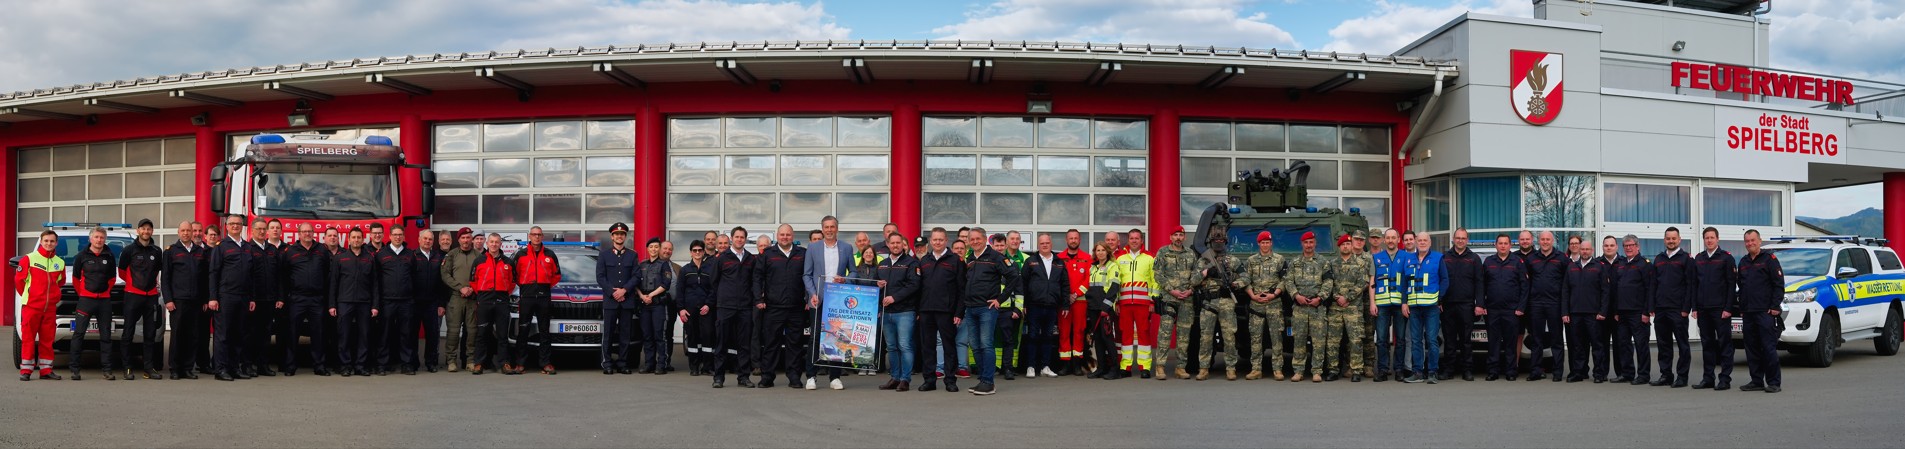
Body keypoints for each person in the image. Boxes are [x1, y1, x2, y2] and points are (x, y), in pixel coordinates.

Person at [802, 217, 854, 389]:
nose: (830, 230)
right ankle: (811, 375)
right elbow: (807, 274)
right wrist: (812, 293)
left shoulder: (846, 248)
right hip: (818, 299)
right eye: (826, 227)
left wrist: (845, 279)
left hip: (838, 300)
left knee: (837, 337)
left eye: (832, 227)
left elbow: (853, 271)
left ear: (837, 229)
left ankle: (835, 377)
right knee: (816, 337)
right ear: (822, 229)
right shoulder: (813, 247)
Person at [756, 224, 809, 389]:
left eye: (788, 235)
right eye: (782, 235)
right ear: (777, 236)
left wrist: (808, 298)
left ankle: (794, 377)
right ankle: (767, 377)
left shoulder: (803, 254)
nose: (785, 237)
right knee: (771, 343)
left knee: (795, 344)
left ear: (792, 236)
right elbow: (758, 278)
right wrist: (759, 299)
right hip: (773, 307)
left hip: (796, 307)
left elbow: (809, 277)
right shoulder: (768, 254)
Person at [280, 223, 332, 376]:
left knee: (319, 334)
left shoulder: (322, 250)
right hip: (297, 298)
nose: (307, 234)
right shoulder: (289, 251)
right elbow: (284, 275)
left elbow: (326, 272)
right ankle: (290, 366)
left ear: (313, 233)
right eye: (304, 232)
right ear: (299, 234)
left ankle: (319, 366)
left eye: (310, 231)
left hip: (317, 298)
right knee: (292, 333)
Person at [916, 228, 965, 392]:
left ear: (946, 241)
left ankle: (950, 381)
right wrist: (918, 310)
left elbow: (961, 289)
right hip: (926, 310)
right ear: (930, 241)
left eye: (940, 240)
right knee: (927, 347)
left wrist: (959, 312)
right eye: (935, 240)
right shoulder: (924, 261)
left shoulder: (955, 260)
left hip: (947, 311)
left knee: (949, 347)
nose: (937, 242)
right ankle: (929, 380)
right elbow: (919, 288)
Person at [962, 233, 1012, 396]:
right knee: (975, 345)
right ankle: (983, 379)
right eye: (972, 239)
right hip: (970, 308)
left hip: (987, 308)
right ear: (969, 241)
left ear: (985, 240)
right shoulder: (969, 258)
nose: (975, 241)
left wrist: (1000, 299)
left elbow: (1013, 277)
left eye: (978, 239)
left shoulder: (996, 257)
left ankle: (989, 382)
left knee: (986, 344)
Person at [67, 228, 118, 380]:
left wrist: (104, 292)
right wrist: (84, 294)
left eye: (102, 237)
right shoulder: (81, 256)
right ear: (90, 239)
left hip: (104, 301)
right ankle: (75, 369)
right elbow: (76, 279)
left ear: (105, 239)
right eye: (96, 237)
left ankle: (107, 370)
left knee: (106, 336)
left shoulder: (109, 256)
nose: (99, 240)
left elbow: (112, 279)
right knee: (78, 334)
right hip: (85, 301)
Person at [116, 219, 164, 380]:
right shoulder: (129, 250)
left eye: (149, 229)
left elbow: (158, 271)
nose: (146, 231)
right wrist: (134, 285)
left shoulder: (157, 251)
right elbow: (122, 271)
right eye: (143, 228)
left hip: (150, 297)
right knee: (128, 332)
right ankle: (127, 368)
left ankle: (148, 368)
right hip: (132, 296)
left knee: (150, 334)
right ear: (138, 231)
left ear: (152, 231)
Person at [1691, 227, 1738, 390]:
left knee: (1724, 344)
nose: (1709, 240)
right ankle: (1708, 378)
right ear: (1703, 240)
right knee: (1707, 344)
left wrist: (1728, 308)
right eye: (1706, 238)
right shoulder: (1699, 258)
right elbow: (1694, 285)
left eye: (1712, 237)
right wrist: (1694, 308)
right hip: (1703, 309)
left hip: (1720, 310)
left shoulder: (1726, 258)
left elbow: (1732, 285)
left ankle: (1725, 379)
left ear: (1718, 239)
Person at [872, 233, 921, 390]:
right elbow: (873, 285)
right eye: (892, 243)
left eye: (898, 243)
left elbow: (914, 285)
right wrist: (877, 285)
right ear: (888, 244)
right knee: (891, 347)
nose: (895, 245)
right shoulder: (883, 264)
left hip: (905, 311)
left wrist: (894, 297)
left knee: (904, 345)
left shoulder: (911, 263)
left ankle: (905, 379)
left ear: (903, 244)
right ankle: (895, 377)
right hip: (886, 312)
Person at [710, 227, 757, 389]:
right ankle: (718, 378)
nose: (739, 240)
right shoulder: (722, 258)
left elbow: (753, 282)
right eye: (736, 237)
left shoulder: (751, 259)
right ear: (732, 239)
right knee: (721, 343)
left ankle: (743, 377)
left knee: (744, 344)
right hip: (725, 307)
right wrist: (721, 299)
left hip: (745, 307)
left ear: (745, 239)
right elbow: (714, 282)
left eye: (742, 237)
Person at [1191, 231, 1242, 381]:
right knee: (1206, 337)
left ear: (1226, 242)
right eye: (1215, 240)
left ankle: (1231, 369)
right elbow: (1193, 280)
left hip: (1227, 302)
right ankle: (1203, 368)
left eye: (1221, 240)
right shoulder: (1203, 261)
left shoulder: (1233, 260)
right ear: (1211, 242)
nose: (1218, 243)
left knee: (1229, 337)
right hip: (1209, 303)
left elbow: (1246, 277)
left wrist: (1234, 284)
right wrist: (1206, 272)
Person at [1737, 229, 1782, 393]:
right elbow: (1741, 287)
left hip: (1765, 312)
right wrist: (1742, 307)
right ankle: (1756, 381)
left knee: (1768, 347)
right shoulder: (1743, 262)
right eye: (1747, 241)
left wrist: (1775, 306)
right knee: (1751, 348)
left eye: (1753, 240)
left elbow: (1778, 285)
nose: (1750, 243)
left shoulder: (1769, 259)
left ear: (1760, 241)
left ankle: (1774, 382)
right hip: (1748, 312)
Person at [161, 222, 208, 380]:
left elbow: (204, 278)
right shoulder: (171, 251)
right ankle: (175, 368)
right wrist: (168, 299)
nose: (187, 233)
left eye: (189, 230)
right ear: (178, 232)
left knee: (193, 335)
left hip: (196, 301)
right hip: (178, 301)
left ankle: (188, 368)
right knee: (177, 335)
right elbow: (165, 278)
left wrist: (205, 299)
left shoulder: (200, 251)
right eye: (183, 230)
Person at [209, 215, 254, 381]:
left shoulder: (247, 247)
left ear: (242, 226)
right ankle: (220, 369)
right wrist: (213, 297)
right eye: (232, 224)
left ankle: (235, 368)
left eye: (238, 224)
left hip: (243, 297)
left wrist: (252, 298)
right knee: (223, 335)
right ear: (226, 226)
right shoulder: (221, 247)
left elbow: (252, 275)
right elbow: (213, 273)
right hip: (225, 296)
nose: (235, 226)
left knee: (239, 334)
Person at [1285, 231, 1334, 383]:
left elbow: (1328, 282)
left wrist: (1320, 298)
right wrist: (1295, 295)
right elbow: (1288, 281)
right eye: (1306, 242)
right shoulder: (1295, 262)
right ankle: (1298, 371)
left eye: (1311, 242)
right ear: (1302, 244)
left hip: (1317, 307)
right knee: (1298, 340)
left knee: (1318, 341)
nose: (1308, 245)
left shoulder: (1323, 262)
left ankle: (1317, 371)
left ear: (1315, 243)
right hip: (1299, 307)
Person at [1562, 235, 1612, 383]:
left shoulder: (1599, 267)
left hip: (1594, 314)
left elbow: (1605, 291)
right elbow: (1565, 291)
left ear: (1592, 250)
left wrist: (1603, 311)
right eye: (1582, 249)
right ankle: (1578, 372)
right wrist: (1564, 312)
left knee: (1597, 345)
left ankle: (1599, 373)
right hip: (1575, 313)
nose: (1584, 251)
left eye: (1587, 249)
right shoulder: (1571, 267)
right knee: (1577, 345)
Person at [16, 231, 66, 381]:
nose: (49, 243)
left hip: (50, 308)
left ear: (56, 243)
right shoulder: (29, 259)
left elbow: (60, 282)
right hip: (31, 307)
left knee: (47, 340)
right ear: (41, 241)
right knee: (28, 339)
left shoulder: (60, 262)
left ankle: (46, 371)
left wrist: (52, 298)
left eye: (52, 241)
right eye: (46, 241)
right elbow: (19, 281)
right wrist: (31, 296)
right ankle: (26, 370)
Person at [330, 228, 380, 377]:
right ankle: (345, 365)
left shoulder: (369, 258)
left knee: (364, 335)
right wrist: (332, 304)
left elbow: (375, 284)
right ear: (348, 240)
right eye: (353, 237)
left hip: (364, 303)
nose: (356, 240)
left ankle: (360, 365)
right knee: (343, 335)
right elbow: (333, 283)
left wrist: (375, 305)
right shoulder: (340, 258)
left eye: (359, 237)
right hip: (344, 302)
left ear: (363, 239)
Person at [1237, 231, 1286, 381]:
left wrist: (1275, 294)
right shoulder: (1251, 261)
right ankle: (1256, 369)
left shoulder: (1279, 259)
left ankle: (1277, 369)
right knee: (1256, 338)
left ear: (1271, 243)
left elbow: (1285, 280)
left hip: (1274, 303)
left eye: (1267, 242)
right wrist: (1252, 295)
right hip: (1256, 303)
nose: (1265, 245)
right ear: (1259, 244)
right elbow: (1246, 279)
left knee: (1276, 337)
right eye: (1262, 242)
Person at [513, 226, 562, 375]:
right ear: (529, 236)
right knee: (523, 330)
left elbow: (557, 275)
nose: (536, 237)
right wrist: (526, 286)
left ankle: (545, 363)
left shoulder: (550, 254)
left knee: (544, 331)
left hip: (544, 297)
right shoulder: (520, 254)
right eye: (534, 234)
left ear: (542, 237)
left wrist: (544, 285)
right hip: (526, 297)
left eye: (539, 235)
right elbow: (514, 275)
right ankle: (520, 363)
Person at [1478, 233, 1527, 382]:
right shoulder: (1488, 262)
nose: (1503, 246)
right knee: (1493, 342)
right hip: (1492, 309)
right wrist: (1482, 304)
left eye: (1506, 243)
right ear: (1496, 245)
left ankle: (1511, 371)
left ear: (1510, 245)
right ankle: (1493, 371)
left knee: (1510, 342)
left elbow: (1524, 287)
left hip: (1511, 310)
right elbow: (1482, 285)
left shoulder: (1517, 262)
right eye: (1500, 243)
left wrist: (1521, 307)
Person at [1150, 227, 1197, 380]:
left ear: (1184, 237)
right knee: (1165, 333)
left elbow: (1196, 275)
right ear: (1170, 237)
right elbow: (1157, 274)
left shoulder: (1190, 254)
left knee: (1184, 335)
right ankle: (1160, 367)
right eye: (1175, 235)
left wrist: (1190, 290)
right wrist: (1172, 290)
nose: (1178, 237)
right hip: (1169, 298)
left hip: (1186, 299)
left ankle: (1180, 368)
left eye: (1181, 235)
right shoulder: (1163, 252)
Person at [1651, 227, 1695, 388]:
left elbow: (1690, 285)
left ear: (1679, 239)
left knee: (1683, 344)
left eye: (1673, 238)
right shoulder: (1659, 259)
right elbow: (1653, 284)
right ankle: (1666, 375)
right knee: (1663, 344)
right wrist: (1652, 306)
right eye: (1668, 238)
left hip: (1678, 309)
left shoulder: (1686, 259)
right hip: (1661, 309)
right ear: (1664, 240)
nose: (1671, 241)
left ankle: (1682, 377)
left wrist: (1686, 308)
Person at [1110, 229, 1157, 379]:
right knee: (1126, 335)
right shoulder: (1120, 258)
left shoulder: (1150, 257)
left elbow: (1154, 281)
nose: (1134, 241)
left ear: (1142, 240)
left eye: (1137, 238)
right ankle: (1126, 366)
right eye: (1132, 238)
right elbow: (1116, 282)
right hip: (1124, 303)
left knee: (1143, 333)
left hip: (1143, 303)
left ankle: (1145, 367)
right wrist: (1116, 301)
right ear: (1128, 240)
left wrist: (1152, 300)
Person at [373, 226, 420, 375]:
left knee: (406, 334)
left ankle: (406, 364)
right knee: (384, 334)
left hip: (406, 301)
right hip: (387, 301)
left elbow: (413, 276)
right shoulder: (381, 254)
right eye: (395, 235)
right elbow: (377, 279)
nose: (398, 237)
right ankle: (382, 364)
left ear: (404, 236)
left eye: (400, 235)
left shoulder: (410, 255)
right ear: (390, 236)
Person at [1523, 231, 1569, 382]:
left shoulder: (1562, 258)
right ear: (1539, 241)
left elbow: (1566, 284)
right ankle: (1535, 370)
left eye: (1547, 239)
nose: (1545, 242)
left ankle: (1557, 372)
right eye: (1542, 239)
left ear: (1553, 241)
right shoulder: (1531, 259)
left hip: (1555, 304)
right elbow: (1526, 282)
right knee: (1536, 339)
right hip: (1536, 304)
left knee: (1556, 340)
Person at [1438, 229, 1483, 381]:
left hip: (1467, 305)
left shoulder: (1474, 258)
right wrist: (1440, 301)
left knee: (1466, 341)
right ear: (1453, 239)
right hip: (1448, 305)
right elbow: (1440, 280)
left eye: (1463, 238)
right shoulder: (1445, 257)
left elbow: (1479, 283)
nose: (1460, 240)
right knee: (1449, 340)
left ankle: (1467, 370)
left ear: (1467, 240)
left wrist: (1479, 304)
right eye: (1458, 238)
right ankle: (1449, 370)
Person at [1610, 235, 1656, 385]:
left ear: (1638, 246)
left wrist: (1646, 312)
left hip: (1638, 313)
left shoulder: (1644, 264)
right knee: (1624, 345)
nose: (1628, 248)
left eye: (1631, 245)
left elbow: (1649, 289)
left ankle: (1643, 375)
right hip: (1622, 313)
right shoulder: (1621, 264)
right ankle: (1627, 373)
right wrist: (1616, 311)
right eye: (1626, 246)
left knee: (1641, 345)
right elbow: (1616, 289)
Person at [1020, 234, 1066, 379]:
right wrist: (1024, 304)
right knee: (1032, 336)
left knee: (1048, 337)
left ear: (1051, 244)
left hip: (1052, 306)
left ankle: (1045, 367)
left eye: (1047, 243)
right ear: (1038, 245)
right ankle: (1031, 367)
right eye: (1042, 243)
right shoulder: (1030, 261)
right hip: (1034, 305)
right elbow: (1024, 284)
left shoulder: (1059, 262)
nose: (1045, 245)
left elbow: (1065, 284)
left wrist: (1065, 304)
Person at [469, 233, 515, 375]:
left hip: (502, 300)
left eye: (497, 242)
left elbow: (513, 282)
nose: (494, 244)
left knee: (502, 334)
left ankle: (504, 363)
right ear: (487, 244)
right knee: (482, 333)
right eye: (492, 242)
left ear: (501, 244)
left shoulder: (508, 262)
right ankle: (479, 363)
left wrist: (504, 292)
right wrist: (482, 294)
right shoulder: (479, 261)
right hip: (484, 300)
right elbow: (473, 281)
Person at [597, 223, 640, 374]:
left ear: (625, 236)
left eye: (622, 234)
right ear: (612, 237)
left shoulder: (632, 255)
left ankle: (623, 363)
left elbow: (636, 276)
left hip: (627, 300)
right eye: (616, 234)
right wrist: (613, 292)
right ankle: (607, 363)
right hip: (610, 301)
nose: (619, 236)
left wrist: (624, 290)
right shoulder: (604, 255)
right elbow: (600, 277)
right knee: (608, 334)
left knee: (625, 334)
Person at [1326, 233, 1370, 382]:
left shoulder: (1360, 264)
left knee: (1355, 340)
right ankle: (1333, 369)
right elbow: (1326, 283)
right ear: (1339, 247)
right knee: (1333, 340)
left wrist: (1348, 298)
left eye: (1348, 244)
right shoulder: (1331, 264)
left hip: (1353, 307)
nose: (1346, 246)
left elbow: (1363, 283)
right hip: (1335, 307)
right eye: (1343, 244)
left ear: (1352, 246)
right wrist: (1336, 297)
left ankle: (1356, 370)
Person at [1403, 231, 1445, 384]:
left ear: (1429, 242)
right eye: (1419, 240)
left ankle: (1433, 372)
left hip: (1431, 307)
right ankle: (1418, 372)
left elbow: (1444, 280)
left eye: (1424, 240)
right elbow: (1404, 283)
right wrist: (1404, 302)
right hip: (1414, 307)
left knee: (1432, 340)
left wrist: (1439, 299)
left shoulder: (1438, 258)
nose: (1422, 242)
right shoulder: (1408, 259)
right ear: (1415, 241)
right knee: (1415, 341)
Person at [241, 219, 281, 378]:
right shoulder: (247, 249)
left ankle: (263, 365)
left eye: (264, 229)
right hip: (254, 300)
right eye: (259, 229)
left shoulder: (272, 249)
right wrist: (250, 297)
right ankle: (248, 365)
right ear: (252, 230)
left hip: (269, 299)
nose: (262, 232)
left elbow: (279, 275)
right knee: (250, 334)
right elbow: (246, 276)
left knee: (265, 334)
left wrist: (279, 296)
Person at [1369, 228, 1408, 382]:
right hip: (1382, 304)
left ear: (1398, 239)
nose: (1391, 240)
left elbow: (1408, 280)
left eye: (1394, 237)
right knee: (1381, 339)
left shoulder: (1406, 256)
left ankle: (1398, 369)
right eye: (1388, 238)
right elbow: (1372, 282)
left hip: (1399, 304)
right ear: (1384, 240)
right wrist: (1372, 302)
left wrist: (1406, 303)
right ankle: (1383, 370)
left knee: (1401, 339)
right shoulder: (1376, 258)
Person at [440, 227, 480, 372]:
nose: (466, 240)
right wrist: (460, 288)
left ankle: (470, 360)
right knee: (453, 331)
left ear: (472, 239)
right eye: (463, 238)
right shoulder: (451, 255)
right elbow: (445, 275)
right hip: (456, 298)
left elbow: (482, 276)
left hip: (472, 298)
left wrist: (471, 289)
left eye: (468, 237)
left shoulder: (478, 255)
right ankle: (451, 360)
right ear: (458, 240)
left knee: (472, 331)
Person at [1055, 229, 1093, 376]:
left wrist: (1076, 294)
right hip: (1063, 302)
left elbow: (1088, 279)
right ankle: (1065, 365)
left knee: (1079, 332)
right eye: (1070, 238)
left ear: (1079, 240)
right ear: (1066, 240)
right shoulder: (1058, 258)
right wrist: (1066, 296)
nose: (1073, 240)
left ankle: (1077, 364)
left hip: (1080, 301)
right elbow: (1055, 279)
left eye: (1075, 238)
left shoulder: (1087, 258)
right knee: (1064, 332)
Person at [678, 239, 718, 376]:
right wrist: (681, 309)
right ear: (690, 253)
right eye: (694, 250)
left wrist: (708, 304)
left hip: (706, 309)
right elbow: (680, 291)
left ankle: (707, 367)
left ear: (704, 251)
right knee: (693, 338)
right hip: (690, 310)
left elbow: (714, 289)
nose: (697, 252)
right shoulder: (685, 270)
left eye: (700, 250)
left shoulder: (710, 269)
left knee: (708, 338)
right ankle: (694, 367)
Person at [1084, 242, 1122, 380]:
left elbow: (1114, 288)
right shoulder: (1093, 268)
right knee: (1098, 339)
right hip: (1093, 308)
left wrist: (1105, 307)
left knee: (1107, 338)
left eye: (1102, 250)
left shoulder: (1113, 266)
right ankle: (1101, 368)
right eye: (1097, 250)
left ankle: (1115, 369)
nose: (1100, 253)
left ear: (1107, 252)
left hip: (1105, 308)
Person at [637, 237, 674, 375]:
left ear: (659, 249)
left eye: (656, 247)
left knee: (660, 335)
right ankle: (649, 364)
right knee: (647, 335)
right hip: (644, 303)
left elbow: (666, 284)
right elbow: (636, 283)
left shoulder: (664, 265)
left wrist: (650, 296)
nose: (653, 249)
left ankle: (661, 364)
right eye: (651, 247)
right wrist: (642, 296)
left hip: (658, 303)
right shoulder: (642, 265)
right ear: (647, 249)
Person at [995, 231, 1029, 381]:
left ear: (1005, 245)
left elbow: (1019, 289)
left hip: (1008, 309)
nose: (999, 248)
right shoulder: (987, 263)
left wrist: (1018, 308)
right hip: (990, 309)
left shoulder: (1013, 265)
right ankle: (993, 368)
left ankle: (1008, 368)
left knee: (1008, 340)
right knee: (991, 340)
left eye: (1002, 245)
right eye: (997, 245)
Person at [413, 229, 447, 373]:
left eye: (430, 239)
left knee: (432, 335)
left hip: (432, 303)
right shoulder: (412, 256)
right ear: (419, 240)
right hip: (415, 303)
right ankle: (413, 362)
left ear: (433, 241)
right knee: (412, 335)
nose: (427, 241)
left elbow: (442, 283)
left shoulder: (438, 257)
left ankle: (431, 362)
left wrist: (441, 304)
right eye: (425, 239)